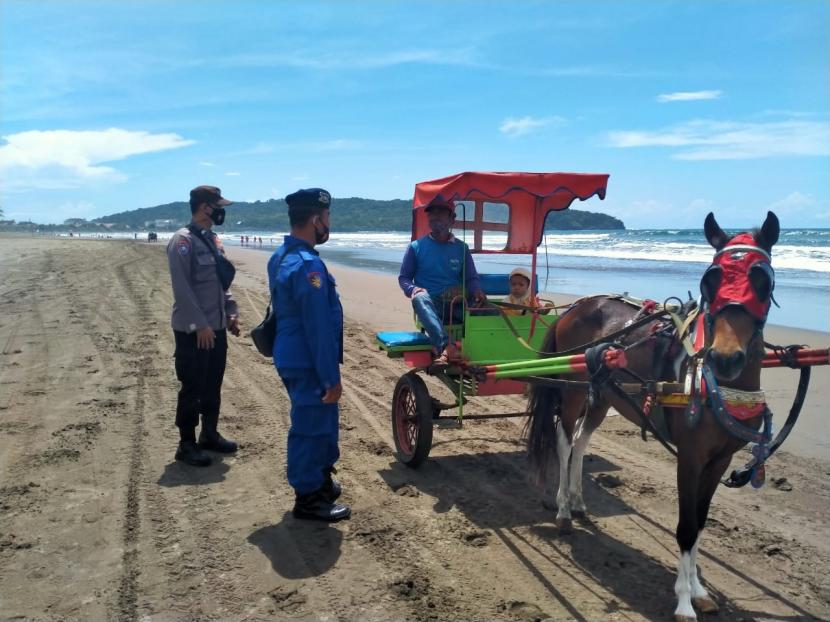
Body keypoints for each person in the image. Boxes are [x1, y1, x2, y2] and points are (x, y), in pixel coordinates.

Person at [268, 188, 349, 522]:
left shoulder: (282, 255)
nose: (328, 224)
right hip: (308, 359)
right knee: (310, 429)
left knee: (321, 423)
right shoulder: (307, 266)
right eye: (326, 218)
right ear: (316, 219)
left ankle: (321, 482)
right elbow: (317, 328)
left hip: (293, 354)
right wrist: (331, 377)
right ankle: (308, 499)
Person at [166, 185, 241, 467]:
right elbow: (182, 289)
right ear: (204, 207)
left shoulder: (213, 239)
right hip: (193, 330)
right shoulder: (182, 241)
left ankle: (209, 434)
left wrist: (231, 312)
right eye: (218, 205)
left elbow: (221, 284)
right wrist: (200, 324)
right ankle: (186, 444)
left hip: (217, 327)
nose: (222, 211)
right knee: (192, 386)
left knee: (213, 384)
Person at [398, 198, 486, 361]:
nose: (435, 216)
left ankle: (492, 348)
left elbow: (471, 278)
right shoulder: (415, 247)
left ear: (452, 218)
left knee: (488, 307)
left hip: (458, 305)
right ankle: (446, 346)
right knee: (419, 297)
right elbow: (404, 278)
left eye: (441, 213)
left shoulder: (462, 248)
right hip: (432, 306)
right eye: (432, 213)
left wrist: (475, 291)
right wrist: (413, 289)